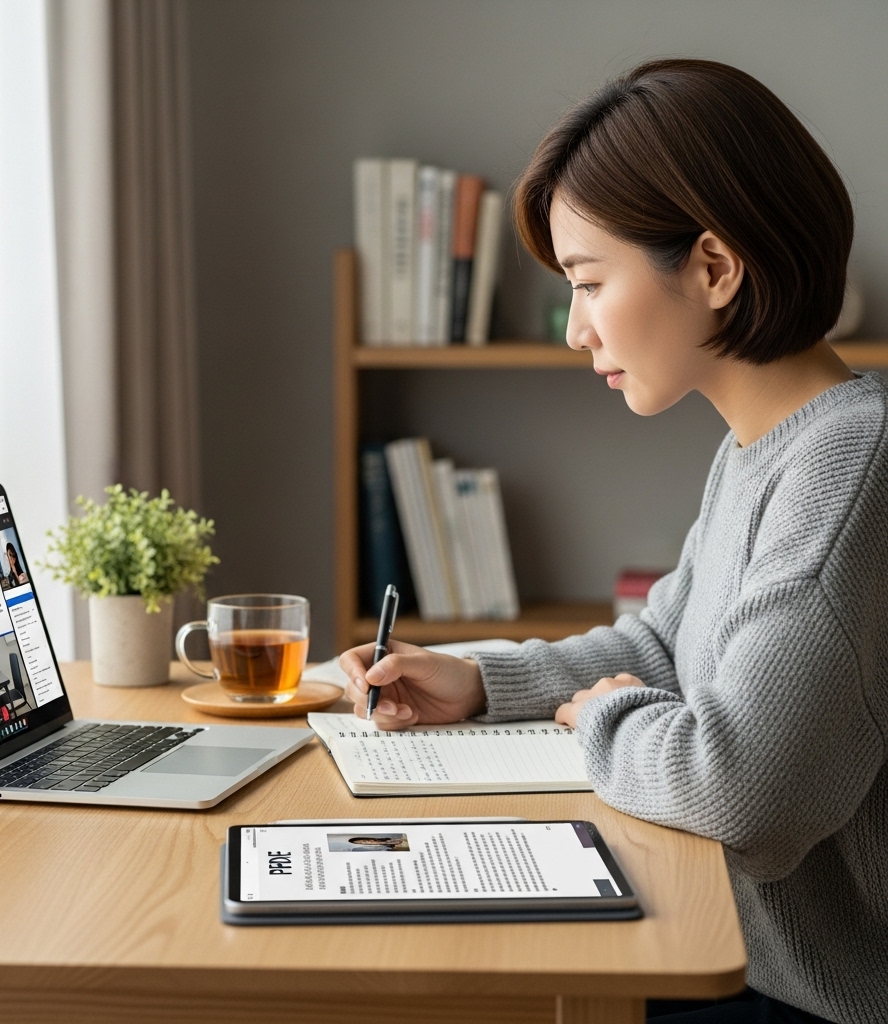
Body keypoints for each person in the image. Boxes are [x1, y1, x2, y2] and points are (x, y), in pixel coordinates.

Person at [340, 60, 886, 1024]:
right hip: (730, 957)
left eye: (590, 283)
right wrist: (480, 684)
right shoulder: (765, 449)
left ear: (715, 269)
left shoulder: (852, 465)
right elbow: (660, 648)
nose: (574, 330)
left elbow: (746, 797)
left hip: (809, 1003)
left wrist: (602, 722)